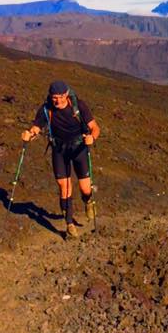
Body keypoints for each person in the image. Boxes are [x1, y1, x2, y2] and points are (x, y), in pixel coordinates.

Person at [21, 80, 101, 239]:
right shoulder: (46, 109)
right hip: (59, 150)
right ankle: (69, 224)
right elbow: (36, 127)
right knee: (64, 186)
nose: (57, 101)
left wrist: (92, 138)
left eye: (59, 97)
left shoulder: (78, 105)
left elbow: (95, 127)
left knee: (85, 188)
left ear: (66, 95)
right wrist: (29, 135)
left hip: (78, 149)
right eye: (54, 97)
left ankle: (88, 200)